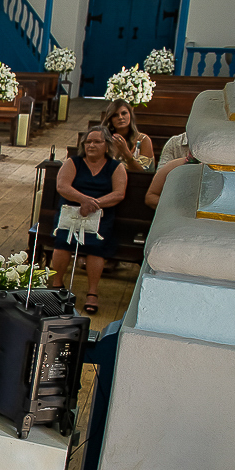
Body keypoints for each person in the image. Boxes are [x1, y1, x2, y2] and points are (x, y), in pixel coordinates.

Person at [48, 128, 127, 315]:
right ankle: (57, 284)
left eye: (97, 142)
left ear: (107, 146)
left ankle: (92, 292)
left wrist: (94, 204)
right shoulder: (73, 162)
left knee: (96, 248)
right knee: (62, 242)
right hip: (71, 211)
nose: (91, 145)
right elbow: (62, 186)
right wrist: (83, 200)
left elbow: (118, 194)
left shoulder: (116, 167)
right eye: (88, 142)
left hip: (100, 214)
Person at [101, 99, 154, 173]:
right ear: (110, 119)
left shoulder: (143, 140)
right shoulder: (103, 139)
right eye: (115, 115)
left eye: (124, 113)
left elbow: (144, 174)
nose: (120, 117)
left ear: (130, 115)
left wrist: (126, 152)